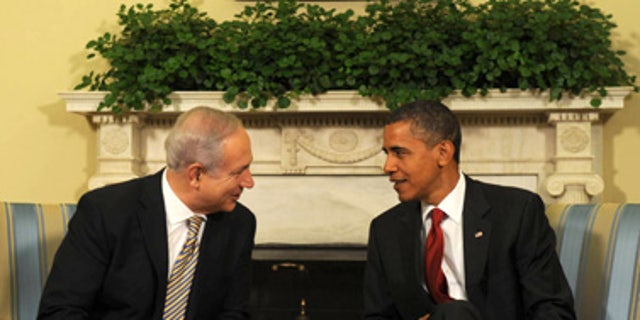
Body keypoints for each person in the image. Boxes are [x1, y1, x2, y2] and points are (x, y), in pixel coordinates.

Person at [363, 100, 576, 320]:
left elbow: (553, 310)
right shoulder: (385, 229)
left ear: (443, 152)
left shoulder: (516, 212)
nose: (387, 167)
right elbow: (377, 316)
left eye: (399, 153)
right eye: (386, 153)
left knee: (456, 313)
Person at [38, 106, 256, 319]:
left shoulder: (239, 224)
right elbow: (60, 311)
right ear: (196, 174)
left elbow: (234, 312)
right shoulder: (106, 212)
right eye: (238, 172)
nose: (249, 182)